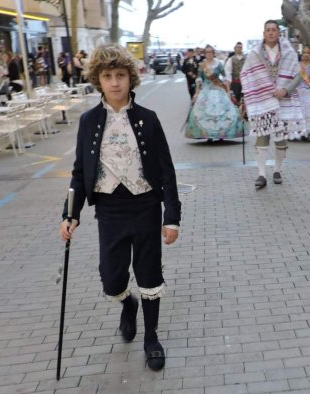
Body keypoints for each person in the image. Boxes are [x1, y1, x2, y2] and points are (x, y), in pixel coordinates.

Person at [59, 44, 181, 371]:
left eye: (121, 75)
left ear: (131, 78)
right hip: (109, 210)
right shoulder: (88, 121)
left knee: (149, 273)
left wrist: (171, 218)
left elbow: (166, 171)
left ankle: (151, 338)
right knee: (111, 279)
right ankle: (128, 304)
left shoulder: (148, 119)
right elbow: (80, 172)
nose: (115, 82)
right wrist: (70, 214)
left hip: (145, 206)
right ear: (98, 80)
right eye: (108, 76)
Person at [241, 19, 305, 189]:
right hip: (262, 102)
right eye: (268, 30)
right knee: (262, 138)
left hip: (284, 101)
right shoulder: (254, 54)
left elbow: (299, 75)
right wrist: (248, 98)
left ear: (278, 33)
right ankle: (261, 174)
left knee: (281, 140)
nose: (271, 32)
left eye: (273, 30)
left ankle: (277, 170)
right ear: (264, 33)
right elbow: (246, 76)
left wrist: (286, 89)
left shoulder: (289, 53)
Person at [185, 45, 245, 141]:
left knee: (222, 111)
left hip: (218, 89)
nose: (209, 54)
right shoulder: (202, 65)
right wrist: (196, 93)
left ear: (213, 53)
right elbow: (199, 79)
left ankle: (221, 134)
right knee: (205, 112)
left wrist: (228, 91)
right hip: (206, 90)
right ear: (205, 54)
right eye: (207, 52)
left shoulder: (219, 64)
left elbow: (225, 77)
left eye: (211, 52)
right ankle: (208, 135)